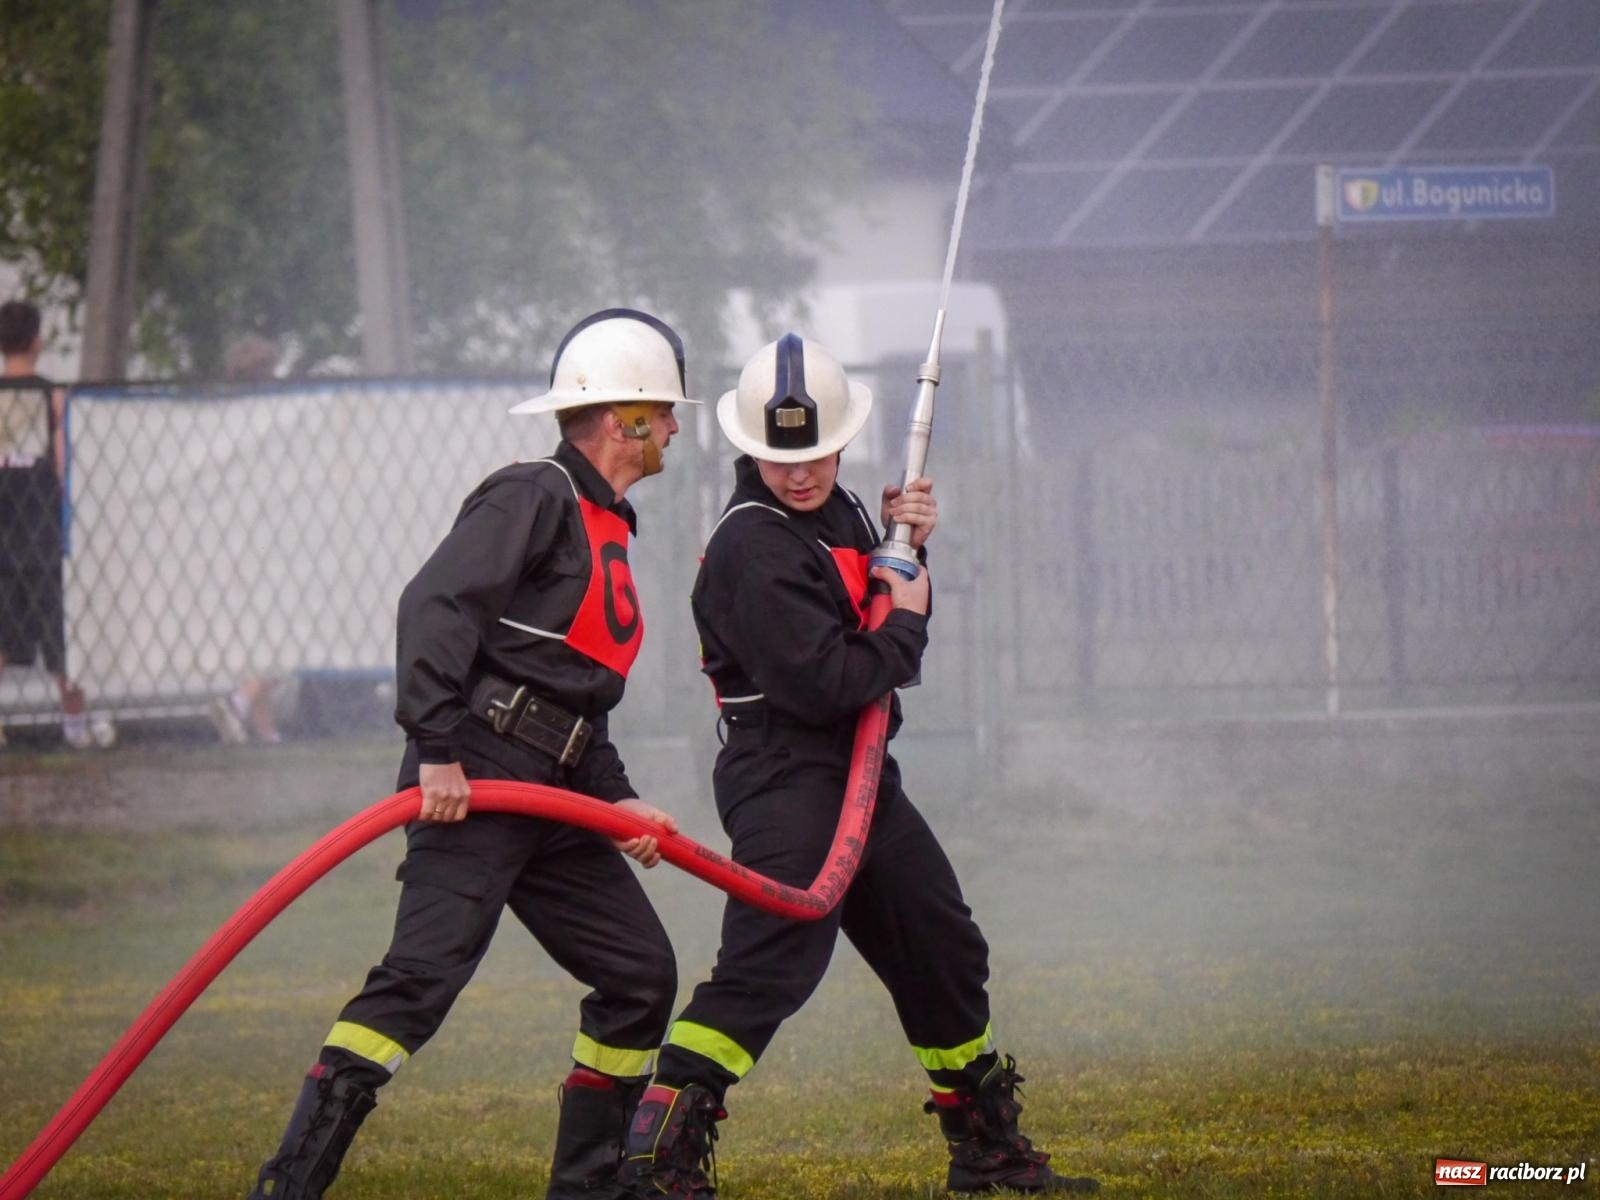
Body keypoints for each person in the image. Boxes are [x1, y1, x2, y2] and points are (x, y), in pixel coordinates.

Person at [618, 334, 1099, 1197]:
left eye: (815, 453)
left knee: (941, 944)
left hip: (862, 776)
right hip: (787, 777)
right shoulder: (751, 548)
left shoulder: (837, 510)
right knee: (771, 968)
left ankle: (985, 1149)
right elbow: (831, 681)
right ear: (750, 449)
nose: (800, 473)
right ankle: (654, 1162)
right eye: (780, 459)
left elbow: (876, 614)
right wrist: (908, 618)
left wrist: (908, 549)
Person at [246, 309, 699, 1200]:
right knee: (418, 983)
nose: (676, 429)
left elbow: (578, 689)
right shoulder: (533, 494)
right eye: (665, 412)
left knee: (639, 975)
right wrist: (437, 749)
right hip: (480, 776)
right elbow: (435, 605)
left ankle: (589, 1189)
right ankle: (286, 1188)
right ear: (626, 419)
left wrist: (617, 800)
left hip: (556, 795)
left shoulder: (607, 522)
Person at [0, 300, 115, 750]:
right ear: (37, 341)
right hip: (42, 528)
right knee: (59, 632)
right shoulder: (53, 396)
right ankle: (75, 725)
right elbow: (65, 463)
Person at [209, 334, 287, 744]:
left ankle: (265, 730)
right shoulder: (275, 420)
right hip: (268, 538)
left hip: (233, 536)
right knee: (287, 637)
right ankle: (239, 702)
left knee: (259, 637)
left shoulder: (223, 419)